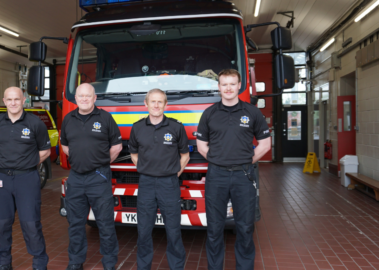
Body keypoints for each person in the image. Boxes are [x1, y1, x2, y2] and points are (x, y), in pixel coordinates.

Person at [196, 69, 271, 270]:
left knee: (245, 228)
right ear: (218, 87)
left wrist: (246, 161)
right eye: (224, 84)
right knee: (214, 229)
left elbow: (265, 144)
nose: (228, 88)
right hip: (216, 175)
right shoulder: (209, 113)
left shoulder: (252, 112)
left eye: (232, 83)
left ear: (239, 85)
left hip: (243, 176)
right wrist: (218, 160)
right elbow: (201, 145)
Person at [60, 83, 122, 270]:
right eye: (81, 96)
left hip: (99, 177)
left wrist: (98, 163)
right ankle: (75, 262)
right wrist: (81, 160)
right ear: (76, 98)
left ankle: (109, 263)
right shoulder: (68, 119)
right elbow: (65, 146)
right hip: (76, 178)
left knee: (105, 223)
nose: (84, 99)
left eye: (88, 96)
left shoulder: (105, 118)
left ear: (95, 98)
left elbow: (116, 147)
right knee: (75, 223)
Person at [0, 87, 51, 270]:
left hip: (27, 178)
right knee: (1, 224)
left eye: (17, 99)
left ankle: (39, 263)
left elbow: (45, 151)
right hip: (1, 179)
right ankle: (3, 262)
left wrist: (26, 163)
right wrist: (6, 162)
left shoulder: (35, 123)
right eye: (9, 99)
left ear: (24, 100)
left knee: (30, 224)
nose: (13, 103)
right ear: (4, 101)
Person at [129, 88, 189, 270]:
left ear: (165, 105)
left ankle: (177, 266)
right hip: (146, 183)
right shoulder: (137, 127)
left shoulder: (176, 127)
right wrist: (145, 169)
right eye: (152, 102)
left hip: (169, 184)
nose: (156, 105)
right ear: (145, 104)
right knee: (144, 231)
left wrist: (172, 174)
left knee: (173, 230)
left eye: (160, 102)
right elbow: (133, 153)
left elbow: (185, 156)